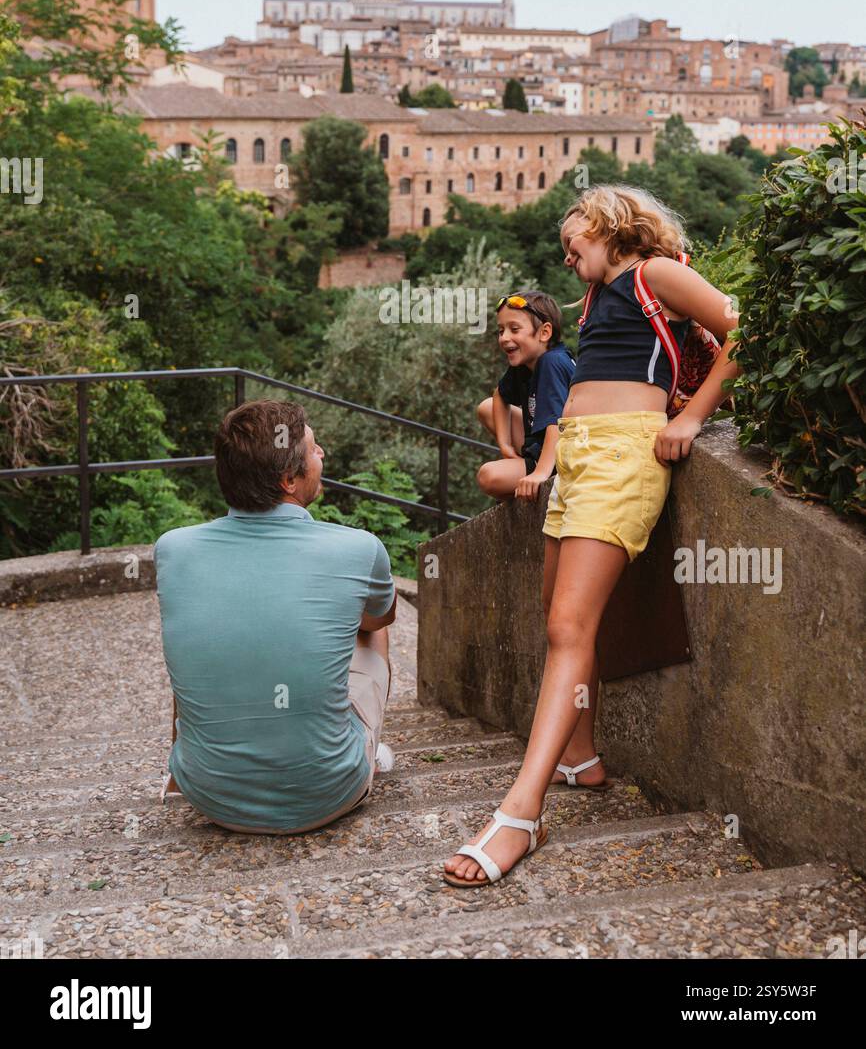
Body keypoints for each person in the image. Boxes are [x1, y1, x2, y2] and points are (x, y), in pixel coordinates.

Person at [444, 183, 740, 887]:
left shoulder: (653, 274)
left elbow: (745, 328)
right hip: (578, 455)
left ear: (611, 222)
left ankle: (521, 811)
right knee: (561, 619)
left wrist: (692, 417)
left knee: (569, 629)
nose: (566, 248)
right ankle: (581, 757)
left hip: (620, 456)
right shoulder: (596, 299)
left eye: (573, 234)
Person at [155, 398, 397, 835]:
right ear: (289, 479)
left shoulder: (173, 549)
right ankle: (366, 751)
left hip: (207, 796)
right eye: (314, 449)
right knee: (369, 634)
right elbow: (378, 621)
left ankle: (181, 770)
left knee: (207, 640)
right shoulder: (359, 548)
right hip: (329, 794)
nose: (321, 455)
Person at [476, 291, 576, 501]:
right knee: (486, 408)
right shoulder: (526, 363)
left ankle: (537, 478)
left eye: (514, 329)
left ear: (544, 333)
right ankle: (522, 473)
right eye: (501, 330)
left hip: (565, 452)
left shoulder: (552, 363)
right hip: (539, 446)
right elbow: (498, 396)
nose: (504, 338)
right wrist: (506, 447)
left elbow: (558, 423)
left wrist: (540, 474)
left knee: (488, 476)